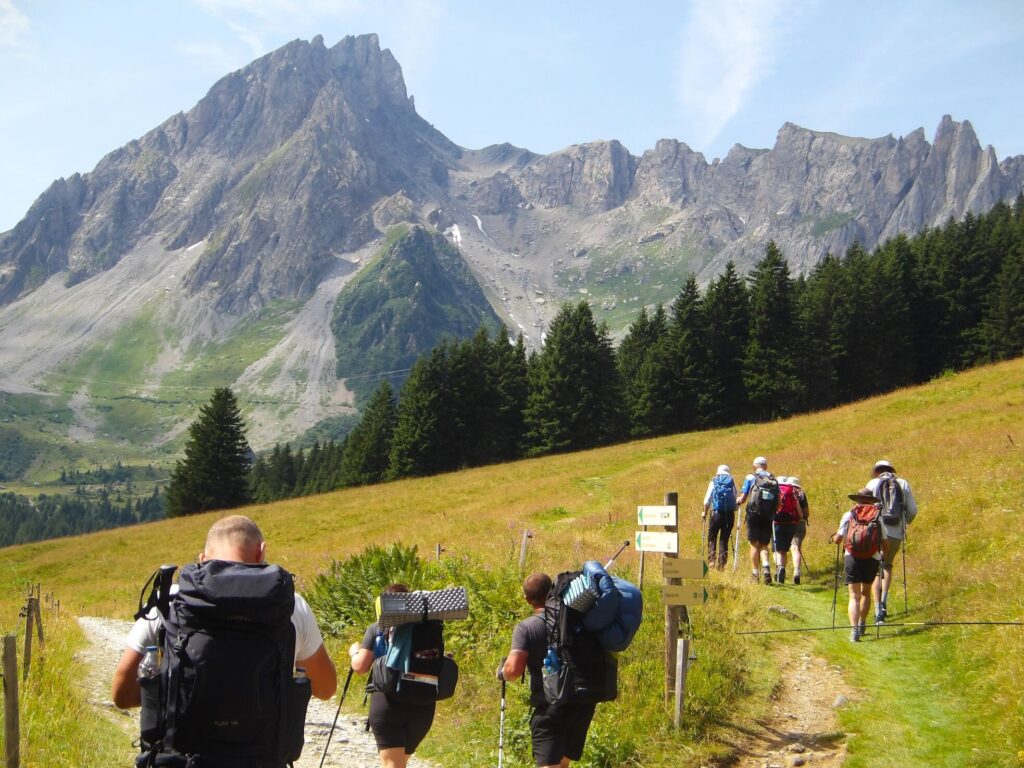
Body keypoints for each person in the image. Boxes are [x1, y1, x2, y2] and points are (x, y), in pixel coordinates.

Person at [111, 516, 337, 760]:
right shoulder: (292, 606)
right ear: (261, 552)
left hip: (183, 759)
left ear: (203, 559)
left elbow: (122, 694)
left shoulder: (170, 601)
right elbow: (325, 688)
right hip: (261, 761)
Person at [500, 573, 598, 768]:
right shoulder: (576, 620)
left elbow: (513, 670)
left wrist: (501, 672)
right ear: (553, 590)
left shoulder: (527, 628)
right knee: (563, 765)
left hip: (550, 706)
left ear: (527, 599)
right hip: (581, 703)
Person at [349, 584, 437, 768]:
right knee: (399, 762)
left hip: (388, 702)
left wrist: (354, 651)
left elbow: (360, 667)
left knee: (392, 764)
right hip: (423, 702)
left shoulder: (379, 626)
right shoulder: (428, 626)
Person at [865, 459, 919, 622]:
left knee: (876, 569)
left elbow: (865, 508)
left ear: (877, 471)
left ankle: (876, 611)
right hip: (895, 532)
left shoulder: (872, 483)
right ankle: (883, 603)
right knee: (887, 566)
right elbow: (913, 510)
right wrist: (904, 522)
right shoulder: (903, 483)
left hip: (875, 532)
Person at [829, 488, 882, 642]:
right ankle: (862, 623)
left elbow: (838, 539)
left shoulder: (849, 514)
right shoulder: (878, 516)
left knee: (854, 596)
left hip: (852, 556)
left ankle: (854, 632)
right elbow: (884, 542)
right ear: (872, 501)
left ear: (857, 500)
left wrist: (836, 538)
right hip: (872, 557)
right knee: (866, 592)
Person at [736, 456, 774, 585]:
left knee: (754, 544)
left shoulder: (750, 477)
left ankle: (755, 574)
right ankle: (766, 569)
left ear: (754, 466)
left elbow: (742, 499)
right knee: (763, 544)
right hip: (768, 515)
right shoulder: (772, 478)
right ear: (766, 466)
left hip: (753, 514)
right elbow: (779, 501)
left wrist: (738, 501)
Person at [702, 464, 738, 569]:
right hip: (729, 514)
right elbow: (736, 498)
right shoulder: (731, 482)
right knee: (724, 539)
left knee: (712, 536)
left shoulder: (714, 481)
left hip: (716, 513)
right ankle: (721, 564)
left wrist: (704, 512)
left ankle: (711, 561)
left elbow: (707, 499)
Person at [771, 477, 801, 584]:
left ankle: (780, 568)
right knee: (785, 549)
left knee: (779, 550)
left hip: (777, 523)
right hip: (791, 525)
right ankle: (782, 568)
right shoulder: (792, 494)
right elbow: (800, 514)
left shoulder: (775, 492)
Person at [788, 476, 810, 584]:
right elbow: (806, 513)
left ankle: (781, 569)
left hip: (785, 523)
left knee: (784, 549)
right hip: (800, 523)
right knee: (796, 547)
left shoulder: (784, 492)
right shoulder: (801, 494)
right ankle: (796, 571)